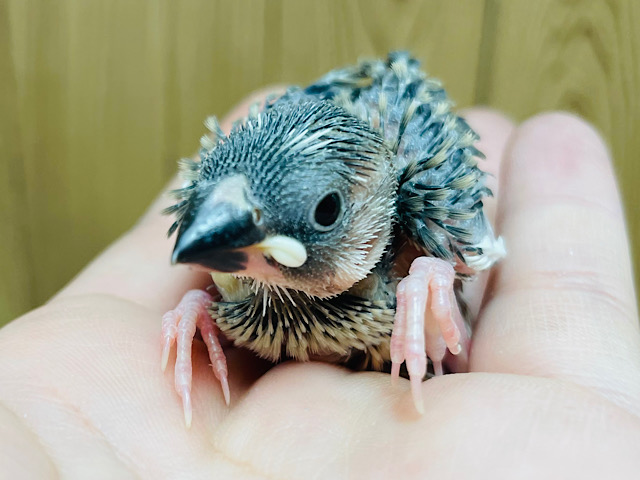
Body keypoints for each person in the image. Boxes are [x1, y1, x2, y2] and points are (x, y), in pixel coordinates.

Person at [1, 89, 639, 478]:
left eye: (328, 213)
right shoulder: (234, 274)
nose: (225, 259)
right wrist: (199, 299)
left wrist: (436, 271)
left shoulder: (419, 226)